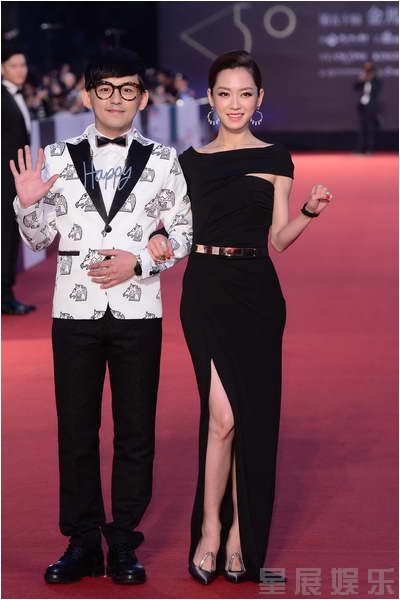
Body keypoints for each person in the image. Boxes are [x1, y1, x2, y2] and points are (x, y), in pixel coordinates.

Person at [148, 50, 333, 584]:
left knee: (249, 418)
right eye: (225, 93)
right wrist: (157, 233)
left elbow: (278, 239)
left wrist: (309, 212)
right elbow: (170, 224)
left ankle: (237, 539)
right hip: (205, 292)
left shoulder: (276, 157)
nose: (235, 103)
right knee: (223, 417)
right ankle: (210, 530)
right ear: (210, 98)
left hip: (257, 295)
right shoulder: (189, 162)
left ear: (259, 99)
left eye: (245, 93)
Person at [11, 48, 192, 585]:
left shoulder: (164, 160)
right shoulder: (56, 156)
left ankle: (124, 542)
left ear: (143, 97)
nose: (117, 99)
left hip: (139, 309)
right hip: (74, 310)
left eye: (127, 89)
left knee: (136, 432)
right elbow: (38, 240)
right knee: (76, 431)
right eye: (106, 89)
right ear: (88, 96)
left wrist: (141, 261)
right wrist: (26, 205)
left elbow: (185, 230)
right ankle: (82, 541)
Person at [1, 47, 36, 315]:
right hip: (4, 179)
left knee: (11, 235)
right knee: (5, 236)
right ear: (2, 68)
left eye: (23, 65)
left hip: (15, 179)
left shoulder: (18, 95)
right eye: (14, 66)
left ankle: (6, 294)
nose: (21, 70)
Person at [354, 61, 382, 154]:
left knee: (370, 128)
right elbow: (355, 87)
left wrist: (370, 80)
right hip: (362, 106)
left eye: (368, 68)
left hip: (372, 106)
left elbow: (377, 90)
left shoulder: (376, 79)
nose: (366, 70)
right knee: (361, 128)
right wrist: (361, 80)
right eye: (365, 68)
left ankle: (370, 149)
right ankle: (361, 149)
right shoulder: (363, 78)